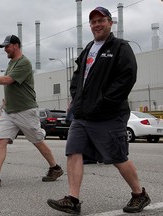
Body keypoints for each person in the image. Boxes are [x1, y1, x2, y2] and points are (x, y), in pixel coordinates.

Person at [47, 7, 151, 214]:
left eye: (100, 20)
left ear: (110, 22)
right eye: (93, 22)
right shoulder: (88, 49)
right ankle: (73, 199)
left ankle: (139, 194)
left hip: (108, 114)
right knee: (73, 151)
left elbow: (127, 77)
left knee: (117, 157)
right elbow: (78, 77)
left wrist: (103, 102)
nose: (96, 25)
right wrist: (76, 99)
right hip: (82, 115)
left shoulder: (120, 47)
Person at [0, 35, 63, 187]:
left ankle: (55, 168)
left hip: (25, 110)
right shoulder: (11, 63)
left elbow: (8, 80)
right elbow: (10, 86)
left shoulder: (24, 63)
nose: (5, 50)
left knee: (37, 141)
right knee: (1, 141)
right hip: (10, 111)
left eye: (7, 46)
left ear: (16, 45)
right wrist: (5, 101)